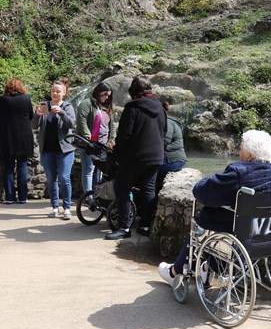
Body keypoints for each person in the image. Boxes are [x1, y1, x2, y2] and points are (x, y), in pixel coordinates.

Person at [158, 130, 271, 285]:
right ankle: (208, 268)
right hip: (269, 231)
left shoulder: (240, 172)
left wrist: (205, 182)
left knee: (204, 219)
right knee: (225, 218)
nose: (239, 152)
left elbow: (204, 193)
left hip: (240, 232)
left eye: (241, 148)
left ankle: (175, 272)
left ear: (250, 155)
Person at [105, 76, 166, 240]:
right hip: (156, 156)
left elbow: (124, 136)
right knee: (148, 189)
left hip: (135, 157)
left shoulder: (133, 108)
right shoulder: (160, 107)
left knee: (122, 188)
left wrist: (117, 152)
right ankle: (145, 225)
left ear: (133, 91)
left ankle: (124, 227)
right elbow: (164, 131)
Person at [32, 78, 77, 220]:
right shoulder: (44, 105)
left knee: (64, 178)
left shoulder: (68, 106)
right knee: (51, 179)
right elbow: (33, 126)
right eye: (53, 91)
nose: (55, 93)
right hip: (47, 149)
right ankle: (54, 207)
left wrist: (62, 112)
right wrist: (37, 115)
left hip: (65, 150)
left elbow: (72, 124)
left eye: (58, 91)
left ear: (64, 93)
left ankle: (67, 208)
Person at [0, 78, 34, 204]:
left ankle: (9, 197)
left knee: (9, 167)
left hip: (7, 138)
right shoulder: (26, 99)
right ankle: (23, 197)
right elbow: (31, 116)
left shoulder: (2, 100)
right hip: (23, 137)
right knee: (22, 166)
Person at [75, 82, 114, 198]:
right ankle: (89, 197)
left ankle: (98, 195)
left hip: (103, 144)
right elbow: (81, 120)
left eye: (108, 96)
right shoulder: (86, 104)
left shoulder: (106, 106)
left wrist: (112, 138)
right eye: (105, 94)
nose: (106, 97)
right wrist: (88, 138)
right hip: (89, 144)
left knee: (100, 170)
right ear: (98, 92)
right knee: (89, 170)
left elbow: (111, 124)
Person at [155, 100, 187, 193]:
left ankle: (150, 204)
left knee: (149, 175)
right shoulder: (163, 121)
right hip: (171, 160)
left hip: (172, 160)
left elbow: (164, 142)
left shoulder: (167, 122)